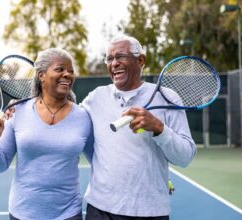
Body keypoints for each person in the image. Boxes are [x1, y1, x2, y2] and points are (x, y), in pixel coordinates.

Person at [81, 35, 197, 219]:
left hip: (150, 211)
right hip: (100, 209)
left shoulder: (168, 98)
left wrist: (159, 128)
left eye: (120, 56)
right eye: (109, 59)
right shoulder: (95, 98)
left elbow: (185, 157)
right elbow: (69, 124)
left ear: (140, 60)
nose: (114, 63)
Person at [0, 48, 94, 220]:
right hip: (22, 213)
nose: (67, 74)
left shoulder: (83, 117)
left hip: (68, 214)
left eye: (71, 71)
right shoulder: (16, 111)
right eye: (60, 69)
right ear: (41, 75)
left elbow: (100, 160)